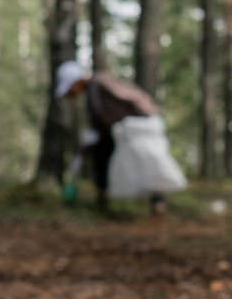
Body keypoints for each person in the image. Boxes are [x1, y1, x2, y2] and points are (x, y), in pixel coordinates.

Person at [55, 61, 168, 215]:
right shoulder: (94, 89)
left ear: (76, 81)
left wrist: (146, 114)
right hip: (124, 129)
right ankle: (104, 197)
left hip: (136, 125)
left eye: (69, 89)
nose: (70, 95)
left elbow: (123, 100)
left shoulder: (98, 84)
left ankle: (156, 202)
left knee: (145, 160)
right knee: (105, 152)